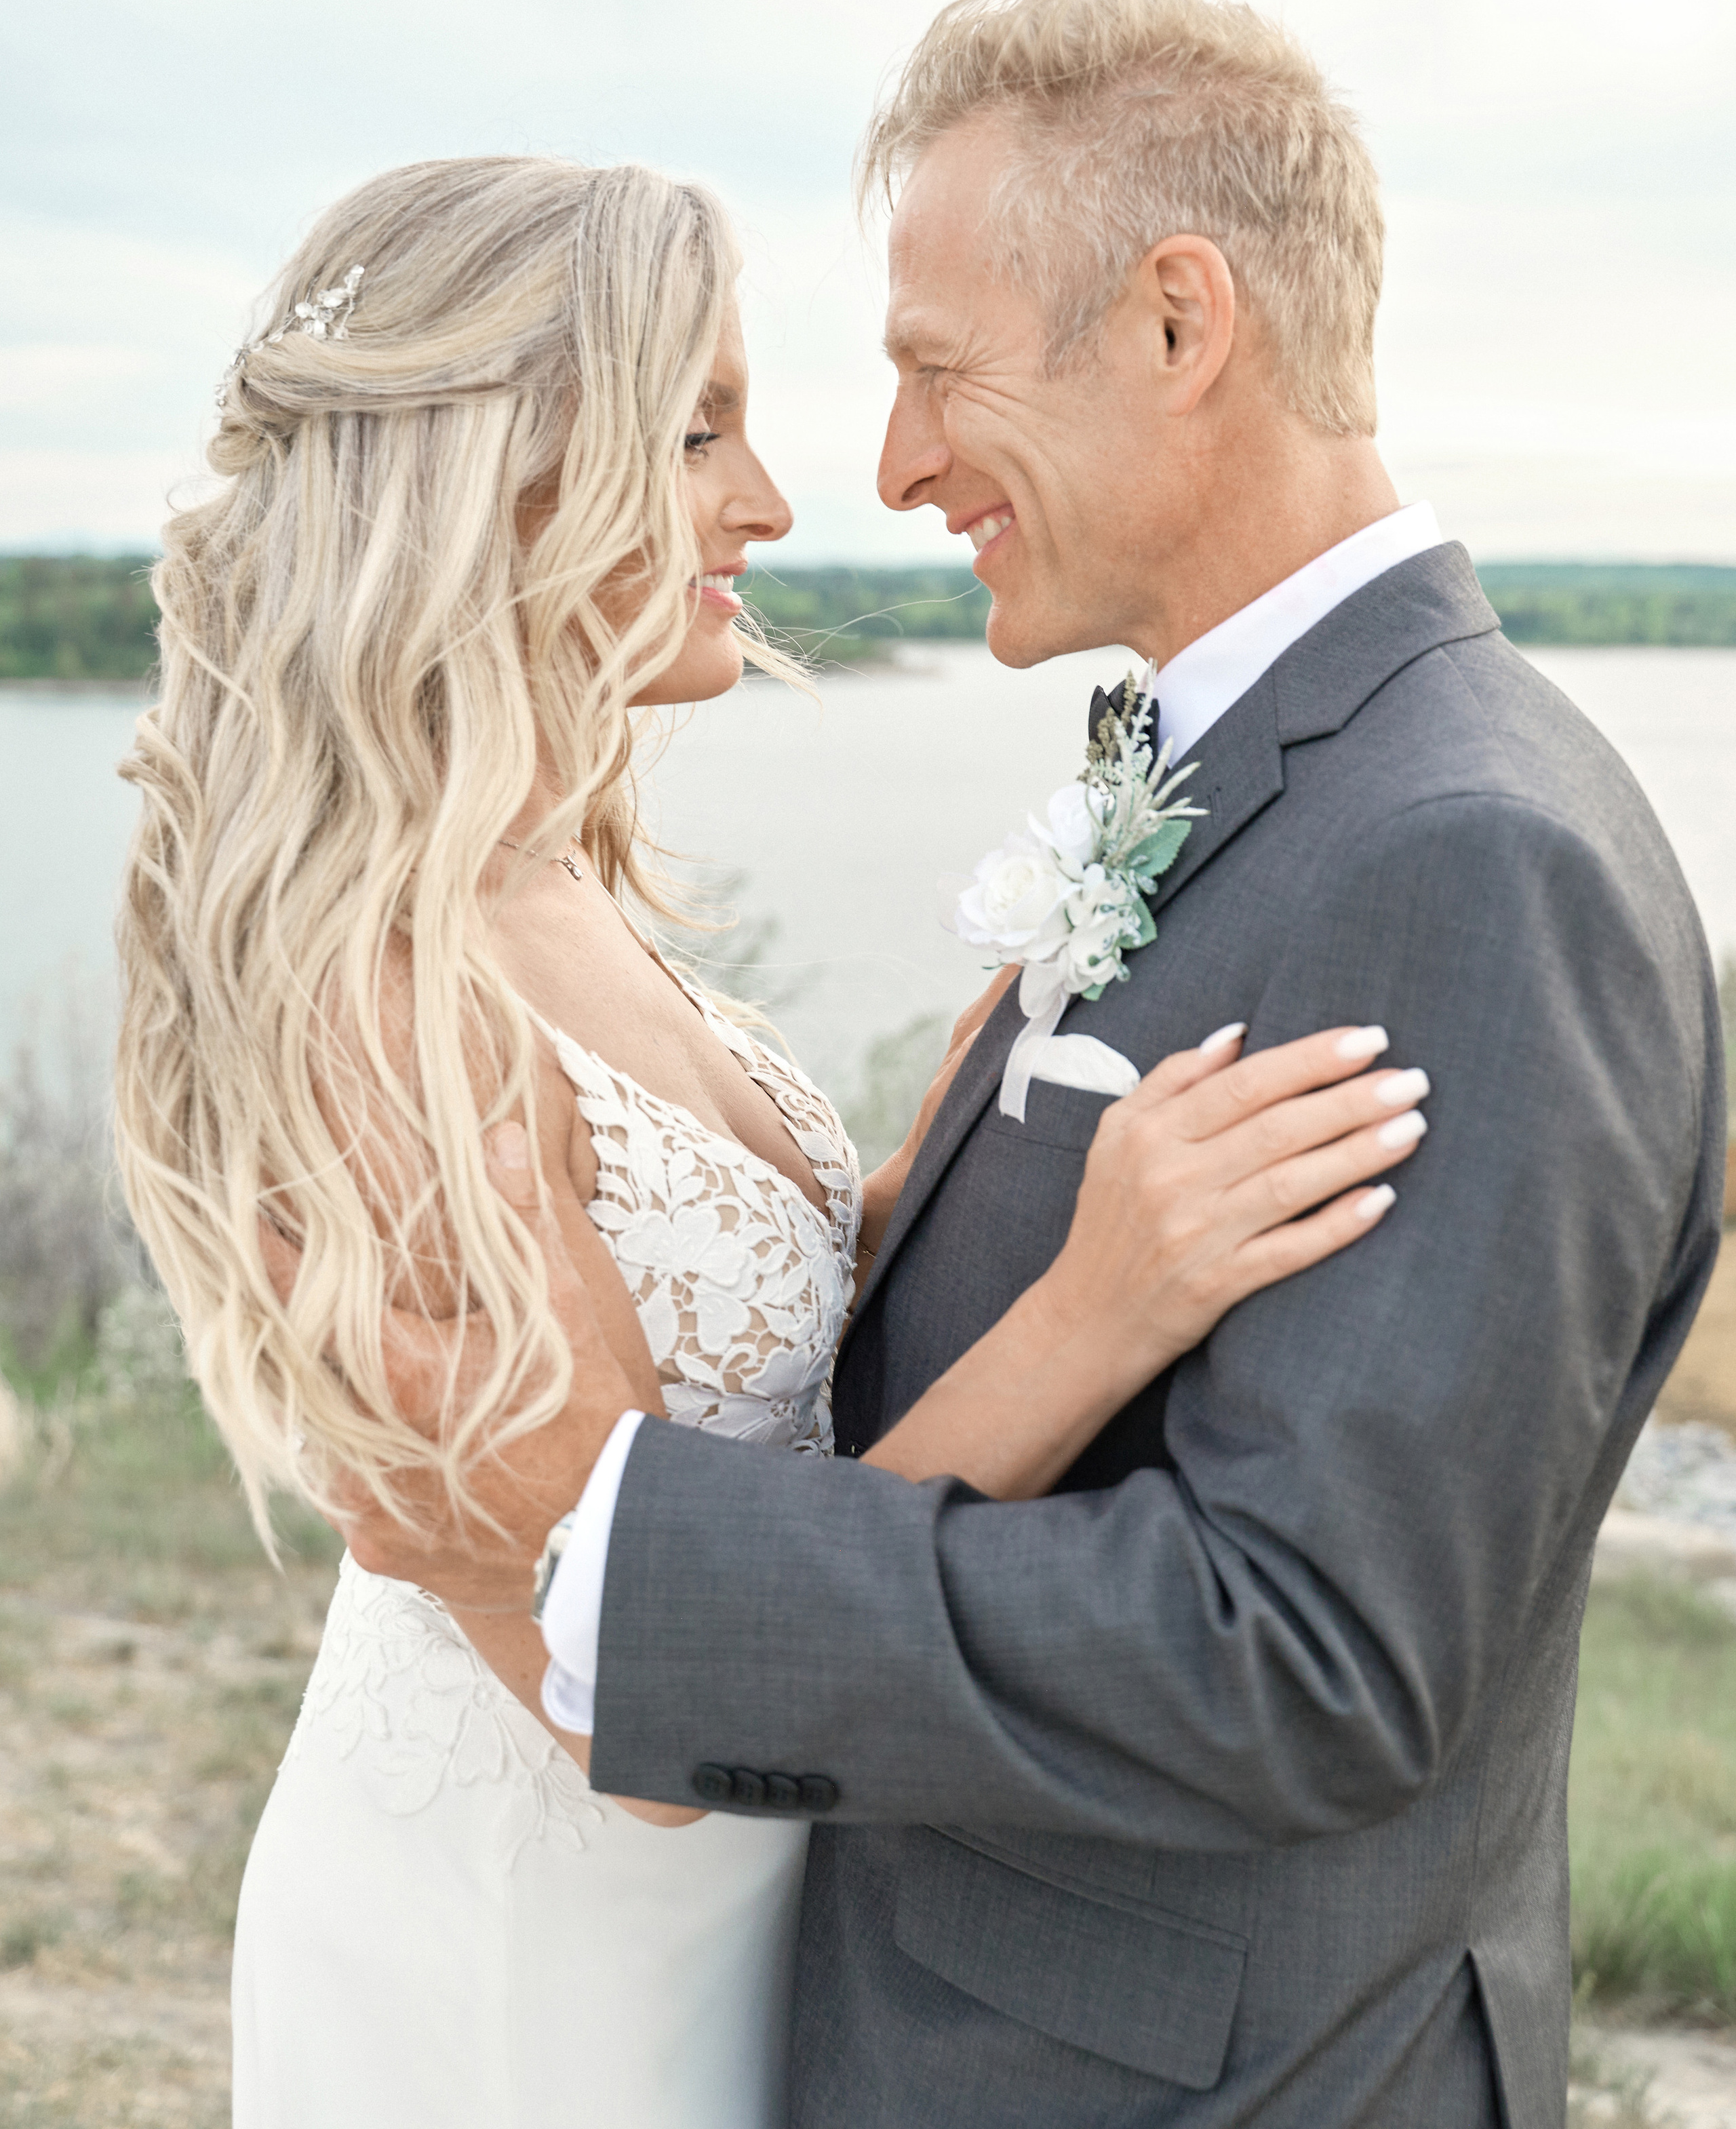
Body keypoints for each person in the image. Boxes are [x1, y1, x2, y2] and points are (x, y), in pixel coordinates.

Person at [340, 0, 1727, 2129]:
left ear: (1179, 324)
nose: (894, 466)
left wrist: (637, 1578)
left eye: (936, 370)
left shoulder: (1467, 855)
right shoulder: (1281, 776)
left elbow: (1309, 1655)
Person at [111, 151, 1421, 2129]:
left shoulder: (549, 868)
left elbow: (731, 1361)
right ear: (501, 482)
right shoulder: (388, 988)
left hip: (741, 1898)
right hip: (541, 1950)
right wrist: (1105, 1301)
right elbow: (637, 1678)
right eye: (698, 429)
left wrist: (948, 1160)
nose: (774, 501)